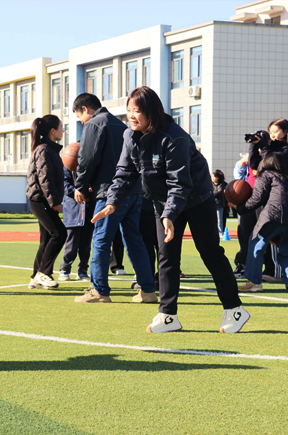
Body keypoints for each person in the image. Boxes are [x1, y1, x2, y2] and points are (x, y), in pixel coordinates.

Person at [95, 86, 248, 333]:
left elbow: (181, 182)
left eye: (137, 111)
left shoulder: (173, 137)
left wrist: (169, 215)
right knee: (167, 256)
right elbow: (124, 173)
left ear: (151, 112)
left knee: (209, 251)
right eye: (128, 111)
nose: (131, 116)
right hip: (162, 202)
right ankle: (168, 316)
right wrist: (112, 202)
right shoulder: (128, 136)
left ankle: (235, 310)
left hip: (197, 198)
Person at [71, 93, 157, 304]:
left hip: (109, 193)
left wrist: (80, 186)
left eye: (79, 117)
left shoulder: (93, 124)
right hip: (134, 190)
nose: (81, 122)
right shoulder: (122, 126)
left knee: (101, 240)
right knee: (134, 240)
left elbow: (87, 158)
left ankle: (99, 290)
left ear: (84, 109)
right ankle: (148, 290)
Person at [231, 152, 288, 292]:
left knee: (255, 243)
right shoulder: (285, 176)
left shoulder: (266, 174)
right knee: (285, 252)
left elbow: (257, 198)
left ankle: (254, 282)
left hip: (274, 214)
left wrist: (239, 208)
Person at [26, 115, 66, 289]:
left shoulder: (49, 149)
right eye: (61, 127)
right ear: (52, 130)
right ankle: (44, 273)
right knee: (59, 233)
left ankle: (36, 276)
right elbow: (45, 179)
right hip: (41, 200)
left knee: (47, 238)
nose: (62, 130)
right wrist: (54, 201)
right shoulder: (44, 149)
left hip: (43, 200)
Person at [58, 165, 93, 282]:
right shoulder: (66, 169)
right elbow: (64, 186)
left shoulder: (90, 167)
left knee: (86, 244)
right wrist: (78, 191)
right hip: (72, 210)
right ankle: (64, 269)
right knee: (71, 243)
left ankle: (83, 270)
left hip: (89, 210)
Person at [211, 169, 228, 237]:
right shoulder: (211, 184)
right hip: (212, 204)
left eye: (214, 177)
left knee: (219, 219)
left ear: (217, 177)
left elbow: (219, 192)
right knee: (212, 219)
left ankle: (220, 232)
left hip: (220, 204)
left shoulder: (222, 185)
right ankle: (213, 232)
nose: (212, 178)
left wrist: (212, 193)